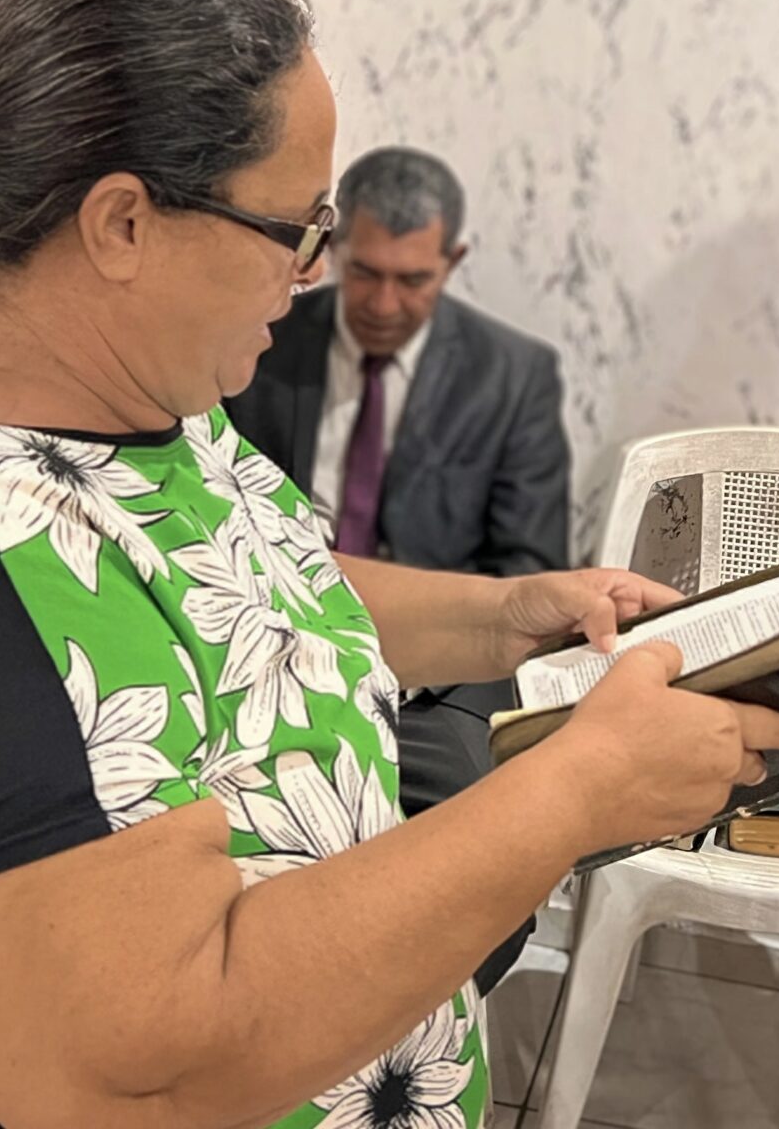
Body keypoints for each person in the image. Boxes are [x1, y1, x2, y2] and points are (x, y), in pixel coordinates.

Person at [0, 0, 779, 1129]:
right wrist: (580, 790)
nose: (310, 275)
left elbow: (240, 592)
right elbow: (154, 1069)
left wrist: (503, 619)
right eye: (295, 230)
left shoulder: (142, 400)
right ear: (122, 225)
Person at [227, 145, 573, 991]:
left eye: (412, 280)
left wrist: (429, 655)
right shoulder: (257, 340)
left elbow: (526, 567)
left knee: (484, 863)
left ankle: (415, 1035)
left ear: (452, 261)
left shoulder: (512, 376)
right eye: (366, 273)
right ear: (335, 248)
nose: (384, 304)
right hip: (274, 647)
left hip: (438, 684)